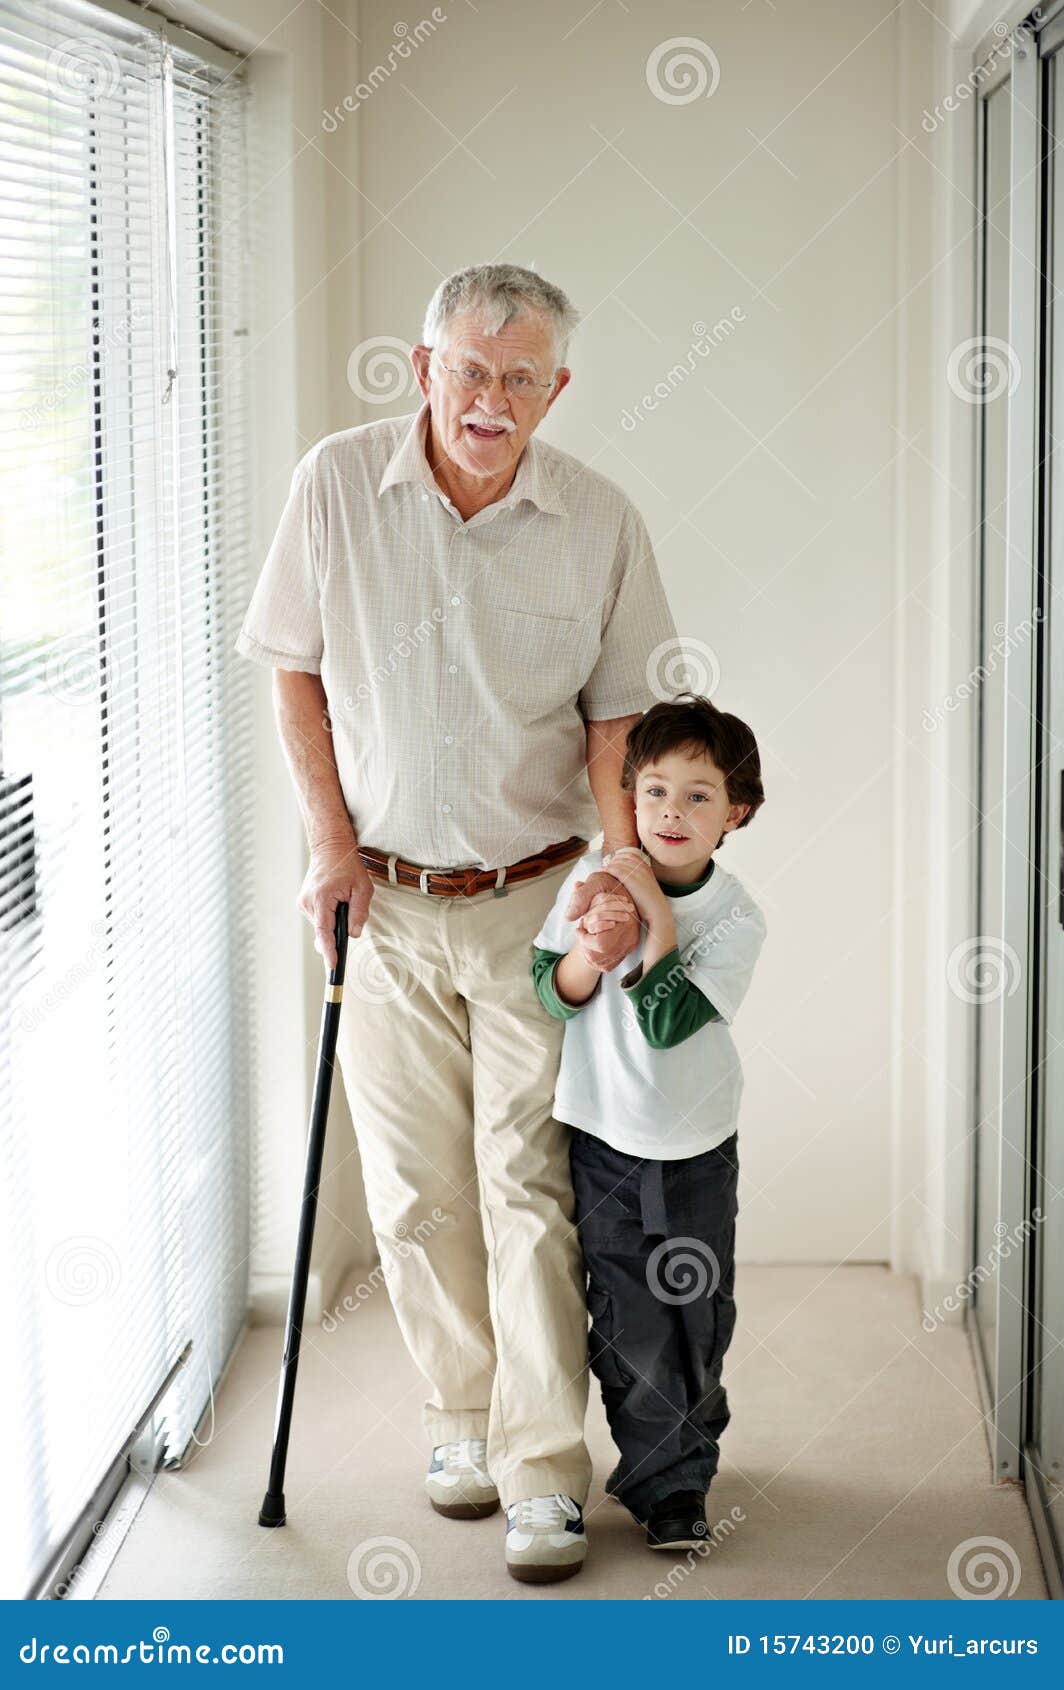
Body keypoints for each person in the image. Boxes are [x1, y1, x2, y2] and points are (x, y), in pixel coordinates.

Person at [233, 262, 679, 1583]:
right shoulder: (335, 484)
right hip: (379, 900)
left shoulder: (595, 518)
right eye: (468, 371)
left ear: (555, 388)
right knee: (419, 1193)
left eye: (519, 377)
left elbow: (617, 719)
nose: (490, 400)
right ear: (422, 368)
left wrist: (622, 863)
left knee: (527, 1184)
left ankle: (545, 1470)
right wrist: (324, 842)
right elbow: (294, 669)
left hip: (534, 905)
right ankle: (458, 1425)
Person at [530, 694, 767, 1550]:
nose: (672, 812)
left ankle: (689, 1445)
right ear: (628, 798)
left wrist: (654, 920)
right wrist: (591, 952)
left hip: (697, 1149)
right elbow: (548, 992)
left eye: (699, 796)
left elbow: (668, 1022)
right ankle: (663, 1487)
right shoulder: (588, 879)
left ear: (733, 813)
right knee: (628, 1318)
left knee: (695, 1314)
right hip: (603, 1144)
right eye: (655, 791)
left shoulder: (735, 916)